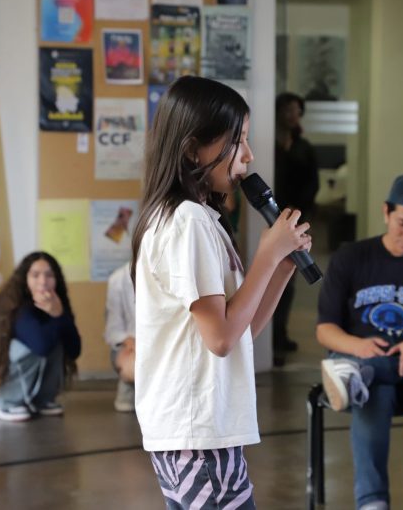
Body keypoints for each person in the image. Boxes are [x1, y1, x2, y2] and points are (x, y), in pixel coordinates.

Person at [130, 75, 312, 509]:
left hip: (201, 430)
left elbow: (240, 332)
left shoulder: (199, 219)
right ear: (194, 149)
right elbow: (222, 338)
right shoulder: (186, 221)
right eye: (238, 140)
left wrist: (282, 266)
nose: (248, 155)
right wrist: (267, 254)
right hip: (196, 433)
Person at [316, 174, 403, 510]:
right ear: (386, 212)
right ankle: (373, 503)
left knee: (366, 378)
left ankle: (358, 372)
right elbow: (325, 329)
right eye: (402, 223)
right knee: (374, 391)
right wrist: (358, 347)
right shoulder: (350, 258)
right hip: (361, 370)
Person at [0, 251, 82, 422]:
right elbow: (41, 346)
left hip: (10, 380)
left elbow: (74, 350)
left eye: (49, 275)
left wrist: (60, 316)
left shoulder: (56, 306)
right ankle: (3, 403)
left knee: (56, 341)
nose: (43, 281)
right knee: (31, 346)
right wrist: (55, 316)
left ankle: (41, 401)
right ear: (24, 280)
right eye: (35, 275)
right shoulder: (17, 307)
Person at [273, 92, 320, 354]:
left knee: (287, 278)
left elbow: (312, 183)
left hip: (294, 219)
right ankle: (269, 338)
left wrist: (298, 209)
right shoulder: (268, 143)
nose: (293, 115)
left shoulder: (304, 147)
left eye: (297, 111)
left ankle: (280, 335)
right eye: (288, 109)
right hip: (269, 217)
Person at [104, 263, 136, 412]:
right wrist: (133, 344)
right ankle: (128, 386)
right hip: (131, 345)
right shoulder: (118, 279)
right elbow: (113, 331)